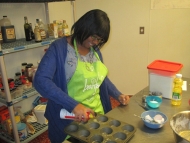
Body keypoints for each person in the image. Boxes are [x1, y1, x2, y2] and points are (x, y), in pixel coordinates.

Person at [33, 9, 130, 143]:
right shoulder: (59, 49)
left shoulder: (94, 51)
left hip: (96, 115)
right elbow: (40, 80)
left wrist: (117, 94)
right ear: (84, 27)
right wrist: (74, 106)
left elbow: (100, 79)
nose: (96, 42)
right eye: (94, 37)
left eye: (100, 40)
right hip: (69, 118)